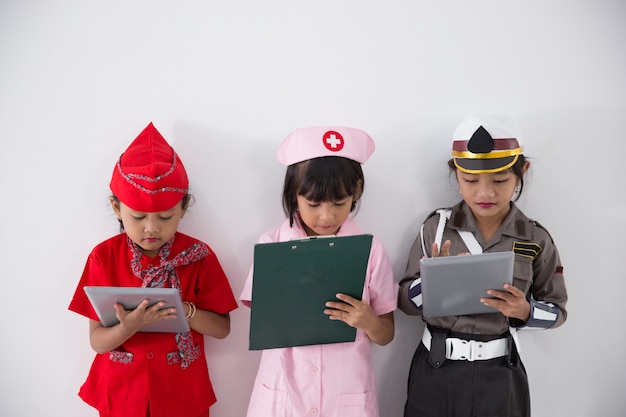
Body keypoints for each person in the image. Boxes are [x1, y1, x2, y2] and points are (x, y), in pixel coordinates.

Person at [398, 115, 568, 417]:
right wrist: (432, 282)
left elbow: (557, 312)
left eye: (500, 181)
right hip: (436, 370)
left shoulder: (535, 238)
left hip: (500, 375)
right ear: (456, 174)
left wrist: (524, 311)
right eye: (471, 181)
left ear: (522, 172)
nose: (485, 192)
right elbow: (403, 302)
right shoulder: (436, 228)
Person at [68, 123, 238, 417]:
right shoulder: (103, 257)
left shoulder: (198, 256)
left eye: (165, 216)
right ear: (116, 208)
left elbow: (222, 329)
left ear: (183, 208)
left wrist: (186, 312)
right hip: (122, 394)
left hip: (181, 393)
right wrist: (128, 326)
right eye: (138, 217)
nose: (151, 228)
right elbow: (97, 341)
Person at [240, 126, 398, 417]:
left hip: (346, 396)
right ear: (293, 194)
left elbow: (386, 333)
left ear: (357, 192)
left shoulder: (370, 249)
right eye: (313, 203)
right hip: (283, 393)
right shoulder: (271, 245)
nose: (327, 216)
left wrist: (368, 321)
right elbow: (261, 320)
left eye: (340, 203)